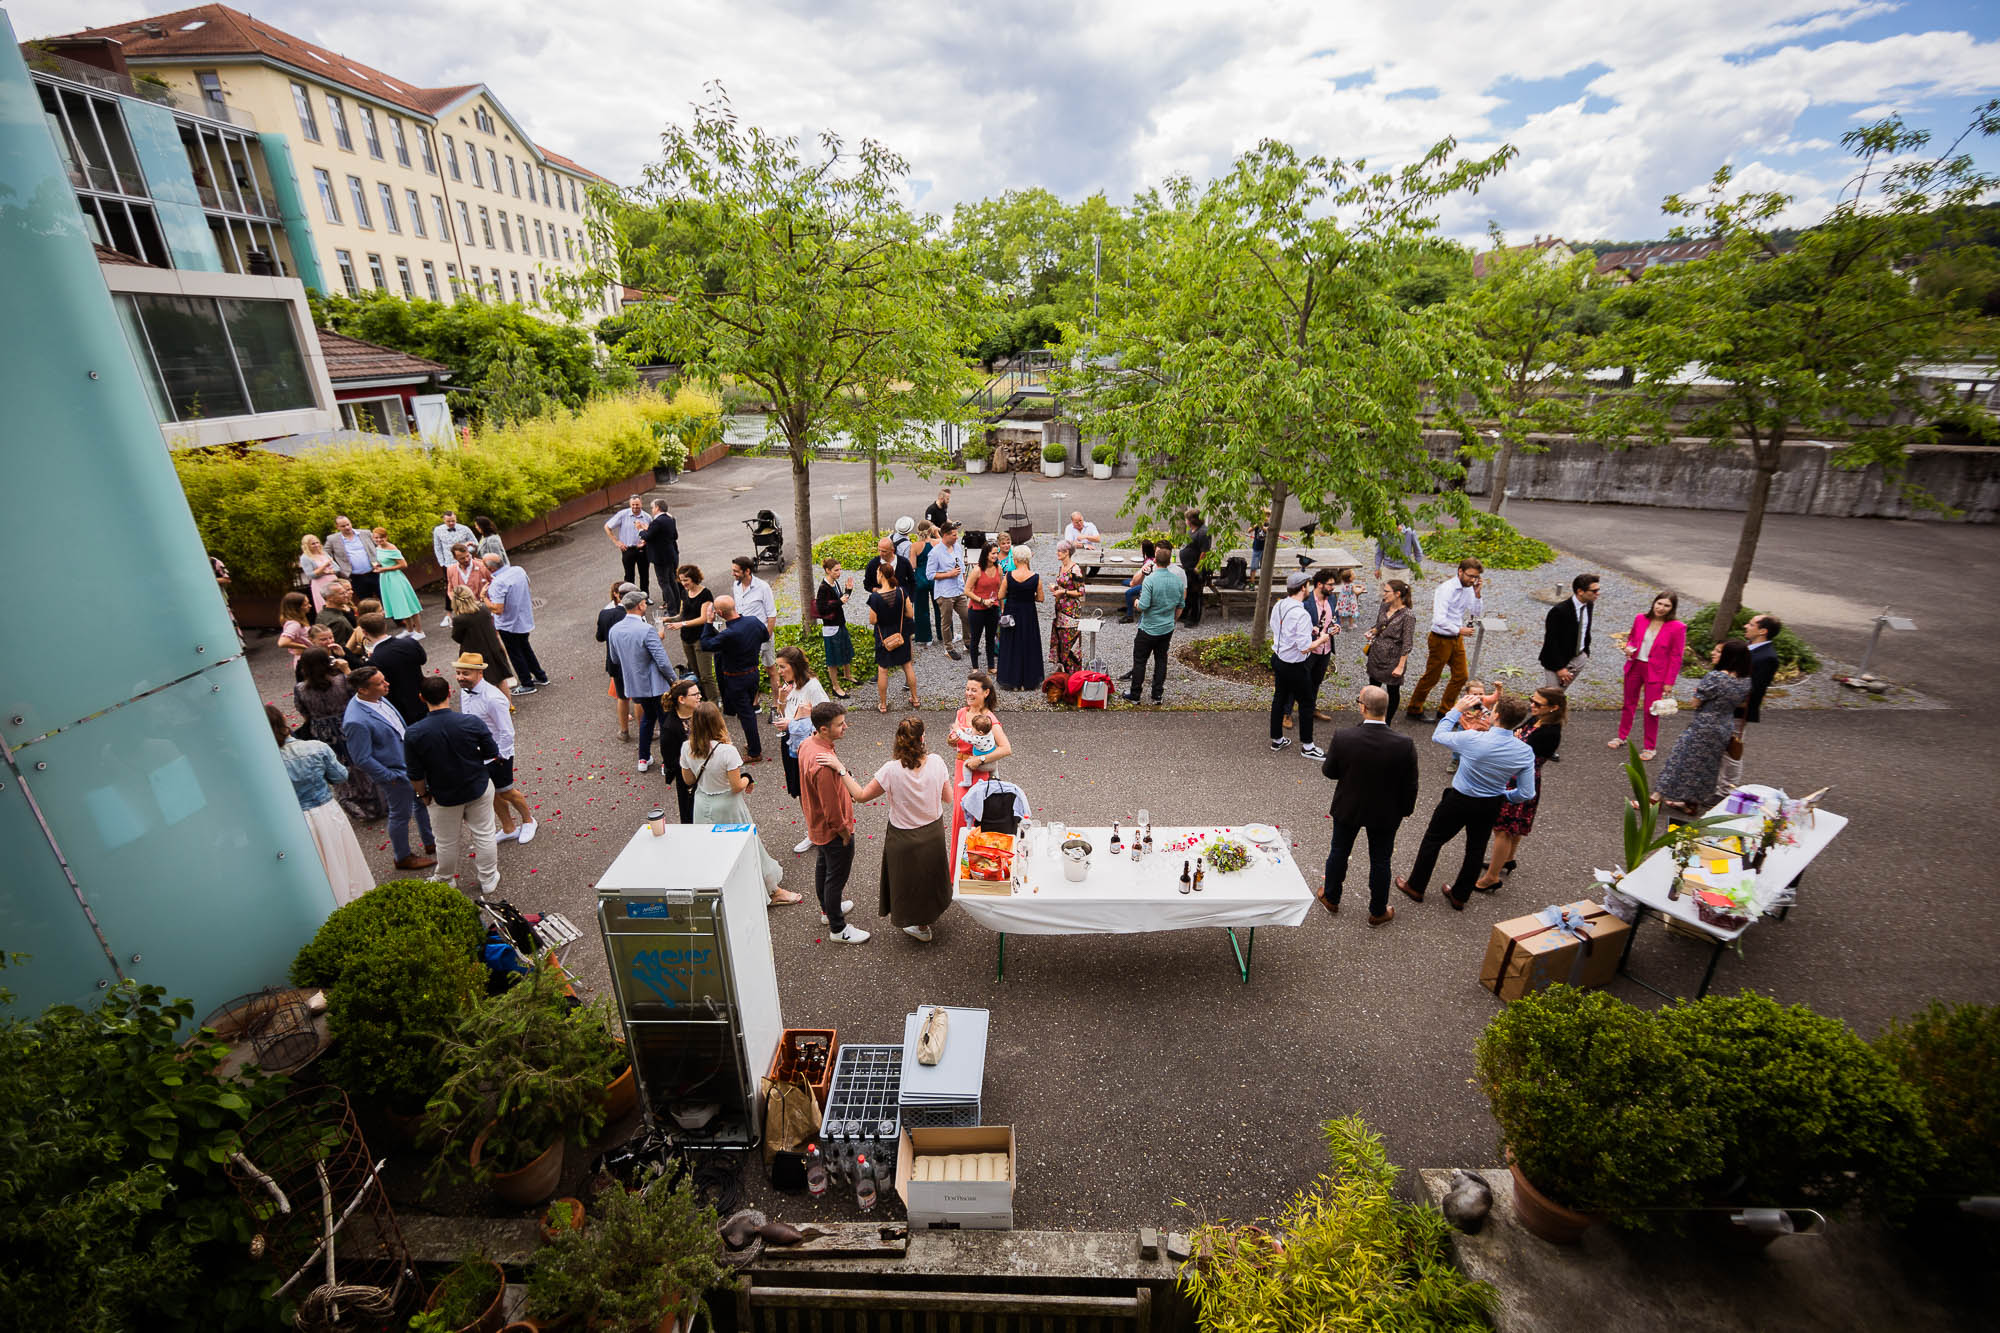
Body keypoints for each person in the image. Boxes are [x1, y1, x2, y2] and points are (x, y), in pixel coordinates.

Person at [1396, 692, 1537, 911]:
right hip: (1491, 803)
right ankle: (1460, 895)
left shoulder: (1472, 738)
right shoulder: (1524, 751)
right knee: (1476, 849)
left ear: (1496, 714)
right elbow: (1527, 792)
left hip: (1459, 799)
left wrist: (1457, 709)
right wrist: (1504, 795)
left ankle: (1416, 886)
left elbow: (1439, 735)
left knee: (1433, 841)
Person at [822, 714, 954, 942]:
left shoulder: (891, 770)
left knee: (908, 880)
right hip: (932, 832)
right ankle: (925, 923)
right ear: (923, 738)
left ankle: (915, 923)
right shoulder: (937, 761)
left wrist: (841, 769)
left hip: (903, 836)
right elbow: (948, 798)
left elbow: (861, 796)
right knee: (929, 875)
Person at [1318, 685, 1419, 925]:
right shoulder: (1404, 743)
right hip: (1386, 812)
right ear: (1386, 708)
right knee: (1381, 860)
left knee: (1339, 852)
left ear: (1363, 707)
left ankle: (1331, 897)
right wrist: (1405, 810)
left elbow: (1329, 771)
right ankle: (1378, 910)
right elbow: (1411, 783)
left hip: (1349, 807)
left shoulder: (1344, 736)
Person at [680, 701, 797, 904]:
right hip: (728, 805)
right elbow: (736, 785)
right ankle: (772, 891)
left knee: (713, 852)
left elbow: (688, 780)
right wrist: (747, 779)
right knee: (747, 847)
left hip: (701, 804)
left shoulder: (686, 748)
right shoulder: (727, 751)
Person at [267, 704, 373, 906]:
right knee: (342, 857)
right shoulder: (315, 748)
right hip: (324, 810)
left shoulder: (265, 761)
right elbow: (340, 776)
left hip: (292, 817)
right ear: (283, 722)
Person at [404, 676, 500, 898]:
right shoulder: (471, 722)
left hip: (442, 793)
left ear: (421, 698)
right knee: (484, 833)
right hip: (477, 785)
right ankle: (488, 879)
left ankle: (445, 879)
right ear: (449, 693)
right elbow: (491, 751)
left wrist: (422, 794)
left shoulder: (414, 733)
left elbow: (415, 773)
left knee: (445, 841)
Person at [341, 665, 434, 870]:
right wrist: (390, 776)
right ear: (363, 690)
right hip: (395, 774)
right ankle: (403, 857)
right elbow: (361, 758)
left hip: (409, 763)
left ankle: (430, 841)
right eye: (380, 683)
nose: (387, 684)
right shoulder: (356, 721)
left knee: (420, 802)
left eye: (384, 679)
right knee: (400, 815)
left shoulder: (378, 698)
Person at [1474, 686, 1565, 892]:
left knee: (1503, 829)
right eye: (1531, 700)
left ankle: (1492, 877)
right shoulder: (1537, 719)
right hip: (1521, 776)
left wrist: (1515, 739)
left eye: (1538, 703)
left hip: (1521, 779)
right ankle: (1508, 859)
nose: (1532, 705)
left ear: (1553, 708)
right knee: (1514, 826)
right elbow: (1516, 739)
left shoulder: (1550, 732)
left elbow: (1520, 747)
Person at [792, 701, 868, 941]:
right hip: (833, 831)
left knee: (823, 868)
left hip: (817, 827)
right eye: (839, 724)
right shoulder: (823, 764)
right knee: (835, 878)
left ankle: (827, 910)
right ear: (823, 729)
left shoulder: (808, 743)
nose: (845, 727)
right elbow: (831, 810)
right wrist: (845, 833)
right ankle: (838, 928)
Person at [1656, 640, 1754, 813]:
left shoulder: (1716, 677)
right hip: (1725, 726)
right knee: (1707, 766)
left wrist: (1701, 696)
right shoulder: (1746, 681)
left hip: (1704, 725)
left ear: (1728, 656)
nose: (1713, 653)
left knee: (1680, 758)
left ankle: (1655, 797)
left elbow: (1695, 702)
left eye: (1718, 651)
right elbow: (1743, 704)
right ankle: (1691, 803)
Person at [294, 648, 382, 821]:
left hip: (323, 731)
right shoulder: (341, 680)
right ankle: (376, 803)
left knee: (337, 768)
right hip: (347, 724)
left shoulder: (300, 689)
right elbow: (357, 696)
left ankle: (353, 805)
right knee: (361, 761)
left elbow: (303, 712)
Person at [456, 652, 534, 843]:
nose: (460, 677)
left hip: (497, 755)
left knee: (507, 791)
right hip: (476, 754)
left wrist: (501, 756)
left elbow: (507, 731)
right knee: (490, 793)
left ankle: (529, 820)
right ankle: (508, 828)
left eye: (465, 673)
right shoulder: (464, 691)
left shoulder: (493, 698)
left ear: (479, 673)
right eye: (458, 673)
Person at [1610, 592, 1688, 760]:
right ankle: (1621, 737)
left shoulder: (1677, 627)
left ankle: (1650, 747)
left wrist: (1669, 682)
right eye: (1659, 603)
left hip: (1657, 672)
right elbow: (1632, 638)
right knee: (1628, 704)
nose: (1661, 608)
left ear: (1672, 609)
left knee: (1651, 710)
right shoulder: (1640, 618)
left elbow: (1676, 656)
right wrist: (1629, 648)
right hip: (1635, 665)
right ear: (1654, 603)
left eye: (1667, 606)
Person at [1405, 558, 1484, 722]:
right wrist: (1459, 629)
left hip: (1456, 638)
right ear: (1460, 571)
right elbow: (1439, 619)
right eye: (1470, 576)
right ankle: (1414, 709)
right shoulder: (1446, 589)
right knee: (1432, 676)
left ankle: (1446, 711)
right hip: (1440, 638)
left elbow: (1476, 612)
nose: (1472, 580)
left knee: (1461, 675)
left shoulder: (1470, 589)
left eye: (1475, 577)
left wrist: (1477, 595)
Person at [610, 589, 681, 773]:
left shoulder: (615, 630)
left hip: (634, 684)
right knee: (665, 721)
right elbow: (662, 661)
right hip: (655, 684)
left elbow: (615, 659)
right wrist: (674, 680)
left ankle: (643, 757)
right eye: (643, 604)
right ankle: (667, 762)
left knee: (647, 719)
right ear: (639, 606)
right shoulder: (646, 630)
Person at [773, 645, 829, 852]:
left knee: (812, 789)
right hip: (790, 741)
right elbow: (783, 712)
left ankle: (821, 830)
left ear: (795, 666)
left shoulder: (812, 686)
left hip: (808, 744)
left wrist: (794, 722)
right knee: (799, 789)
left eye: (782, 667)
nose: (779, 671)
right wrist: (781, 699)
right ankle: (813, 830)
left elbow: (827, 713)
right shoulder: (789, 685)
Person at [700, 593, 769, 760]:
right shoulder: (753, 621)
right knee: (748, 711)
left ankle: (755, 751)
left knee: (746, 715)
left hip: (736, 678)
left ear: (720, 613)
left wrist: (708, 622)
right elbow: (765, 636)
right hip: (753, 673)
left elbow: (706, 644)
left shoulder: (728, 635)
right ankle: (753, 744)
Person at [947, 673, 1012, 853]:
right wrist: (951, 740)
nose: (969, 693)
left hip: (979, 774)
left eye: (974, 690)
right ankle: (956, 873)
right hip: (961, 769)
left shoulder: (988, 719)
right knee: (960, 818)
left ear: (986, 693)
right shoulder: (961, 713)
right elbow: (955, 739)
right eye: (967, 689)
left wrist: (980, 759)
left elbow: (1006, 748)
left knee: (974, 819)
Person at [1269, 572, 1329, 759]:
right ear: (1303, 587)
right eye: (1308, 585)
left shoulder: (1280, 604)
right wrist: (1322, 639)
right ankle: (1308, 746)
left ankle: (1277, 739)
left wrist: (1307, 630)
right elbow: (1304, 648)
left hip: (1278, 659)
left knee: (1279, 697)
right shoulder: (1301, 614)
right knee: (1307, 701)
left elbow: (1277, 627)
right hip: (1294, 665)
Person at [1722, 615, 1783, 788]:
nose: (1745, 626)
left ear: (1763, 631)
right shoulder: (1748, 648)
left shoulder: (1767, 657)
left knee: (1731, 751)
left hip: (1738, 710)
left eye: (1751, 624)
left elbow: (1755, 688)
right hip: (1725, 706)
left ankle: (1727, 789)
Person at [1126, 538, 1184, 705]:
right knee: (1161, 661)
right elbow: (1180, 605)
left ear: (1155, 559)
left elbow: (1143, 606)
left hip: (1148, 628)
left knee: (1140, 661)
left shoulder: (1150, 580)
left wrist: (1136, 602)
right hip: (1166, 628)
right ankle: (1157, 695)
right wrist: (1172, 621)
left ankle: (1135, 694)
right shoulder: (1177, 581)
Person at [484, 553, 549, 693]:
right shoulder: (518, 570)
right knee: (526, 648)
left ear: (490, 569)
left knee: (515, 654)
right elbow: (528, 584)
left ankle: (527, 683)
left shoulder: (497, 583)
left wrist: (484, 598)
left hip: (508, 624)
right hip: (524, 619)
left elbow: (498, 609)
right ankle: (541, 676)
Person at [867, 562, 920, 714]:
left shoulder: (875, 597)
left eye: (878, 573)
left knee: (883, 670)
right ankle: (915, 698)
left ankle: (883, 705)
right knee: (907, 666)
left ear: (881, 575)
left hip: (884, 636)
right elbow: (910, 614)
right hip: (901, 634)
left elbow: (873, 620)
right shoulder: (902, 592)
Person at [360, 612, 427, 725]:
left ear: (364, 632)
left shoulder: (374, 660)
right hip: (423, 697)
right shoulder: (410, 643)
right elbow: (422, 660)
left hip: (401, 707)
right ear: (385, 626)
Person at [447, 584, 515, 692]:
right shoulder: (484, 608)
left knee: (485, 685)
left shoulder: (460, 619)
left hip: (476, 655)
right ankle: (509, 707)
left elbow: (457, 637)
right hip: (494, 649)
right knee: (501, 680)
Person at [1539, 572, 1601, 690]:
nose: (1598, 593)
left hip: (1578, 657)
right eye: (1594, 591)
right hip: (1556, 663)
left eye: (1598, 590)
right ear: (1580, 591)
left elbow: (1585, 630)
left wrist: (1585, 653)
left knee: (1560, 695)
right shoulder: (1559, 611)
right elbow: (1551, 642)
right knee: (1552, 696)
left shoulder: (1589, 605)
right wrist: (1560, 668)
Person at [996, 546, 1046, 691]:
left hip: (1012, 612)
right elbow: (1041, 598)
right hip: (1028, 613)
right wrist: (1030, 596)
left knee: (1011, 644)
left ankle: (1011, 679)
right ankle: (1028, 680)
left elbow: (1000, 595)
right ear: (1028, 558)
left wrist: (1013, 596)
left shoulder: (1009, 576)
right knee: (1029, 644)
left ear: (1015, 559)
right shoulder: (1035, 577)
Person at [1365, 578, 1415, 719]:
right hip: (1376, 654)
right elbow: (1379, 626)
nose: (1383, 594)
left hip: (1393, 659)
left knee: (1392, 691)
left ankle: (1386, 723)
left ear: (1397, 594)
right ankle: (1371, 719)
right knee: (1373, 689)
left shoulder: (1408, 616)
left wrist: (1400, 666)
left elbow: (1407, 643)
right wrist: (1373, 631)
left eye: (1387, 591)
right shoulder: (1384, 606)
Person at [597, 580, 639, 742]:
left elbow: (600, 637)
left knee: (622, 697)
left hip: (614, 662)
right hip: (632, 662)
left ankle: (624, 732)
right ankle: (646, 731)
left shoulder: (604, 614)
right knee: (637, 698)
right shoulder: (633, 615)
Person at [657, 679, 702, 824]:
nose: (699, 697)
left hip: (709, 773)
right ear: (681, 699)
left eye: (699, 693)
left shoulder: (702, 714)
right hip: (688, 781)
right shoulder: (670, 727)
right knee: (692, 817)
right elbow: (671, 761)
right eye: (695, 694)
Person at [670, 565, 718, 700]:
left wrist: (682, 623)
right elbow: (682, 614)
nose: (683, 583)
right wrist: (668, 619)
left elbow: (704, 618)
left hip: (701, 638)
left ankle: (715, 704)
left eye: (686, 580)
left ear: (694, 578)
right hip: (686, 638)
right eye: (681, 580)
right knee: (697, 673)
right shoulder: (684, 593)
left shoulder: (705, 594)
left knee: (706, 676)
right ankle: (704, 699)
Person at [929, 522, 975, 660]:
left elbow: (960, 565)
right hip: (945, 592)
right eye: (954, 535)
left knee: (967, 616)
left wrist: (964, 582)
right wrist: (948, 574)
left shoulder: (957, 548)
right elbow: (930, 574)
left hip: (959, 589)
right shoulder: (935, 553)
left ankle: (968, 643)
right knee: (947, 622)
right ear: (946, 535)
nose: (957, 537)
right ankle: (948, 648)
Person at [814, 555, 857, 698]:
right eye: (836, 570)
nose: (839, 573)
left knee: (845, 650)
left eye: (840, 570)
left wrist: (848, 591)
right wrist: (840, 601)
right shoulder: (823, 587)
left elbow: (840, 599)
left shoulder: (834, 583)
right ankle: (835, 686)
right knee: (832, 658)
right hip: (830, 627)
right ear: (827, 570)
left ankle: (847, 675)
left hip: (840, 623)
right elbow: (822, 608)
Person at [370, 528, 423, 636]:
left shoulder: (392, 548)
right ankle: (409, 630)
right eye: (376, 538)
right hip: (385, 579)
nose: (379, 540)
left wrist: (384, 569)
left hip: (395, 578)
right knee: (399, 604)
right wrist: (380, 566)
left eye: (381, 537)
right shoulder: (378, 548)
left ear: (386, 537)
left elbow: (403, 565)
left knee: (408, 603)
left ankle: (419, 631)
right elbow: (385, 562)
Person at [1304, 568, 1340, 723]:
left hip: (1325, 649)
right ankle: (1286, 713)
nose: (1333, 588)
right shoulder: (1306, 601)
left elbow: (1334, 617)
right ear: (1319, 584)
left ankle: (1311, 709)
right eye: (1330, 584)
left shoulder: (1331, 599)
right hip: (1309, 648)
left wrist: (1336, 626)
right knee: (1299, 680)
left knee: (1316, 681)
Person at [732, 556, 779, 671]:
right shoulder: (736, 585)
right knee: (748, 669)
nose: (733, 574)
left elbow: (772, 614)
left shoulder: (763, 587)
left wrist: (766, 637)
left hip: (761, 635)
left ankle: (777, 689)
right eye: (733, 570)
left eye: (736, 571)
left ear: (747, 571)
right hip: (744, 636)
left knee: (771, 669)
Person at [1049, 542, 1086, 675]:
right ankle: (1064, 671)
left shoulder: (1075, 569)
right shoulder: (1062, 567)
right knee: (1061, 640)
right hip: (1060, 609)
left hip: (1071, 611)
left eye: (1060, 551)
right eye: (1058, 550)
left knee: (1070, 640)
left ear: (1067, 552)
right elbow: (1064, 587)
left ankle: (1073, 672)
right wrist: (1056, 589)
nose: (1058, 553)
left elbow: (1080, 592)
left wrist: (1063, 592)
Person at [966, 545, 1004, 672]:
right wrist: (982, 600)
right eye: (992, 553)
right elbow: (967, 590)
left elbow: (1000, 590)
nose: (995, 556)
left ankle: (991, 666)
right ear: (986, 554)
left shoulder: (998, 569)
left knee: (991, 638)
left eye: (996, 553)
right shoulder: (977, 570)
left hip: (993, 608)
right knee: (975, 638)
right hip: (977, 609)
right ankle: (975, 667)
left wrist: (1002, 607)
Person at [325, 516, 380, 602]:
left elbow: (379, 546)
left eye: (348, 524)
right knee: (366, 601)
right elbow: (325, 554)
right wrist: (334, 567)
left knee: (384, 597)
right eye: (343, 526)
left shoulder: (365, 533)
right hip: (355, 577)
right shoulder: (332, 539)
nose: (347, 527)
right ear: (337, 527)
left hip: (375, 572)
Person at [605, 494, 652, 593]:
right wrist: (617, 542)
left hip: (642, 549)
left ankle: (645, 596)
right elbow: (607, 527)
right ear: (630, 504)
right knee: (629, 575)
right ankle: (630, 596)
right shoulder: (622, 515)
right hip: (628, 549)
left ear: (641, 504)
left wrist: (646, 541)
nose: (635, 507)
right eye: (633, 505)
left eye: (637, 505)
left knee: (644, 574)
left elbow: (651, 533)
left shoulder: (647, 517)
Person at [642, 499, 681, 615]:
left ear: (657, 508)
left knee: (664, 583)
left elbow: (647, 536)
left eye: (653, 508)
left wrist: (640, 530)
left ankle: (672, 610)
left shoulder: (657, 522)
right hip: (670, 555)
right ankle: (677, 607)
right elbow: (674, 535)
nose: (652, 510)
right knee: (672, 581)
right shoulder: (670, 519)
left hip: (660, 557)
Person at [908, 520, 937, 649]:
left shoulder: (914, 546)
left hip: (920, 578)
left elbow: (912, 565)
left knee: (921, 609)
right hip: (935, 578)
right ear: (931, 530)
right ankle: (944, 634)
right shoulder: (937, 543)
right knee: (940, 608)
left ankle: (925, 637)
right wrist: (937, 532)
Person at [1179, 509, 1211, 627]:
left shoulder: (1203, 532)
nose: (1185, 521)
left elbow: (1204, 552)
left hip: (1196, 568)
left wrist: (1198, 566)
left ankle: (1194, 618)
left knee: (1196, 593)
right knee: (1188, 591)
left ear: (1192, 520)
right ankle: (1185, 613)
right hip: (1188, 567)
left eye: (1187, 519)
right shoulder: (1192, 530)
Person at [862, 536, 914, 606]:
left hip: (902, 601)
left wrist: (910, 598)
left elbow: (912, 581)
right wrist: (877, 590)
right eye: (879, 550)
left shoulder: (904, 562)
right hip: (881, 602)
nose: (880, 553)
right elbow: (867, 584)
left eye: (884, 551)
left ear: (892, 550)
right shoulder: (873, 564)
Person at [1119, 539, 1156, 625]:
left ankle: (1129, 616)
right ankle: (1129, 605)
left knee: (1128, 593)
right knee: (1124, 581)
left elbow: (1137, 580)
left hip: (1146, 585)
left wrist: (1134, 583)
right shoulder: (1151, 559)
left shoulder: (1149, 562)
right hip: (1143, 581)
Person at [300, 535, 338, 613]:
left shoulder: (324, 553)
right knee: (325, 605)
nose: (316, 545)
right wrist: (324, 568)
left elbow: (337, 568)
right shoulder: (305, 557)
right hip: (320, 584)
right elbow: (310, 575)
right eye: (313, 544)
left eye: (317, 542)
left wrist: (330, 571)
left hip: (333, 581)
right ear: (307, 546)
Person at [318, 581, 359, 652]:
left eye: (345, 592)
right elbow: (340, 649)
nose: (346, 595)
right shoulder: (337, 621)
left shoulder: (322, 613)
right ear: (330, 598)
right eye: (342, 594)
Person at [278, 593, 313, 663]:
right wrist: (304, 646)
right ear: (296, 608)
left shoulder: (298, 621)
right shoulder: (295, 624)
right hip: (306, 659)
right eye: (305, 605)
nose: (310, 606)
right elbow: (282, 642)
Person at [1333, 567, 1361, 632]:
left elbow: (1348, 588)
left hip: (1343, 601)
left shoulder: (1344, 584)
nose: (1355, 574)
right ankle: (1351, 625)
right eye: (1353, 574)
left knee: (1342, 613)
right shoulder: (1352, 585)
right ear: (1351, 578)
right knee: (1351, 614)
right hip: (1350, 602)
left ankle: (1341, 624)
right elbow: (1356, 592)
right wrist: (1361, 589)